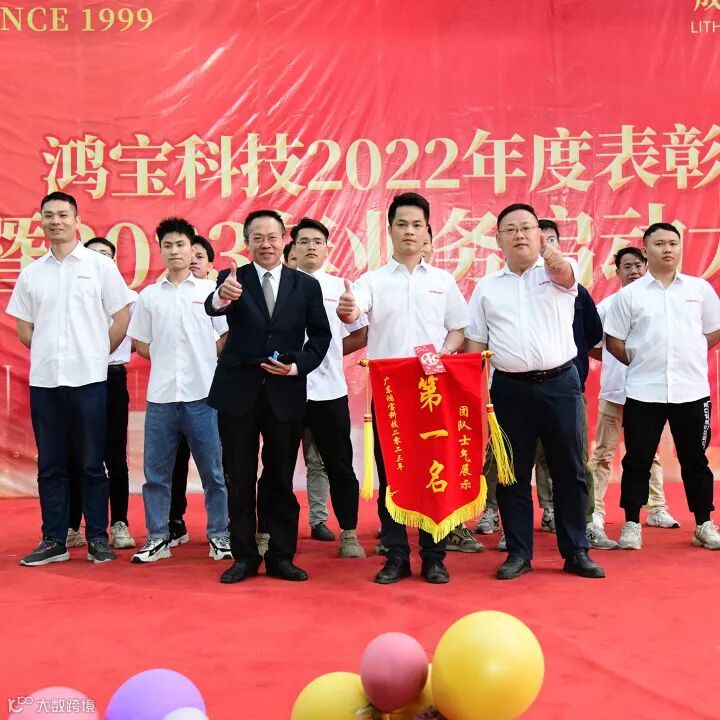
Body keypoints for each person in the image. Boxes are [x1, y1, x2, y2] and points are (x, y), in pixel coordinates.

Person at [466, 203, 605, 580]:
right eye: (510, 229)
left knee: (570, 471)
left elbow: (563, 271)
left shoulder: (559, 271)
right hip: (509, 390)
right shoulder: (486, 288)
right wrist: (467, 389)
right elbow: (476, 345)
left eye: (526, 227)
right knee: (511, 474)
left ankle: (576, 551)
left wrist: (550, 253)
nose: (519, 235)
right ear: (498, 239)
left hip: (560, 385)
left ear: (539, 235)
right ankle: (519, 552)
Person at [337, 192, 470, 584]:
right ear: (390, 230)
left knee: (434, 474)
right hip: (391, 394)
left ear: (428, 231)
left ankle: (434, 556)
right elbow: (355, 308)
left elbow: (458, 329)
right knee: (392, 477)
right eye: (402, 224)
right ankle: (395, 555)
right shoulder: (371, 281)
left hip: (433, 391)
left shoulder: (443, 281)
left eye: (417, 225)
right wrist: (349, 308)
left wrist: (444, 352)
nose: (409, 231)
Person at [205, 209, 331, 584]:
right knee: (239, 478)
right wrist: (221, 297)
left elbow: (320, 337)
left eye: (272, 237)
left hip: (285, 392)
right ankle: (244, 557)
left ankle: (280, 556)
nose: (266, 244)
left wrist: (296, 367)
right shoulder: (233, 279)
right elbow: (213, 305)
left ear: (283, 240)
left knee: (279, 480)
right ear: (247, 243)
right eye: (257, 237)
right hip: (238, 393)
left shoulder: (305, 285)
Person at [7, 192, 131, 566]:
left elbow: (122, 316)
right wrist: (51, 352)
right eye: (49, 215)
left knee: (92, 463)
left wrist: (96, 354)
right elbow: (24, 329)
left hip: (89, 380)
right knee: (51, 464)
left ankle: (97, 538)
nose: (56, 221)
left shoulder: (99, 266)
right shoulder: (32, 273)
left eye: (63, 215)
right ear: (41, 221)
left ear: (77, 220)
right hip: (45, 383)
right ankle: (54, 539)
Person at [605, 222, 720, 551]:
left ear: (680, 247)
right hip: (644, 391)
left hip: (691, 390)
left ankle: (703, 523)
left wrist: (688, 355)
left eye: (673, 243)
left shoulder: (699, 290)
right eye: (659, 244)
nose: (667, 249)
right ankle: (631, 523)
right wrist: (642, 361)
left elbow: (713, 331)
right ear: (645, 250)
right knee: (637, 460)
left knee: (695, 459)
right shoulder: (629, 295)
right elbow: (614, 341)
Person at [128, 218, 231, 564]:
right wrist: (168, 356)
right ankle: (158, 537)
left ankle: (219, 534)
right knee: (156, 475)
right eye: (168, 245)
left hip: (203, 396)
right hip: (161, 398)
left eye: (181, 245)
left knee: (213, 473)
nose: (174, 251)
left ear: (192, 249)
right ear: (160, 250)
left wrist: (201, 357)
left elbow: (225, 337)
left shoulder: (209, 293)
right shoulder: (149, 296)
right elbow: (142, 344)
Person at [588, 247, 678, 534]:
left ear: (646, 267)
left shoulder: (658, 304)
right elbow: (591, 345)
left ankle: (657, 508)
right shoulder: (607, 306)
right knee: (603, 454)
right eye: (627, 267)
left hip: (648, 393)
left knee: (648, 453)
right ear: (617, 273)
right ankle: (594, 511)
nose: (634, 271)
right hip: (614, 391)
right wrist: (617, 359)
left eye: (638, 265)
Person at [291, 216, 366, 557]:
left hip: (330, 391)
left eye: (317, 242)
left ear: (327, 248)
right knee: (277, 465)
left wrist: (327, 354)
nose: (311, 247)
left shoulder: (340, 288)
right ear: (293, 248)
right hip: (286, 390)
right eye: (304, 241)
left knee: (340, 465)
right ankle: (270, 536)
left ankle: (349, 533)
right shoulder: (280, 286)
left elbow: (360, 333)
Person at [67, 237, 138, 551]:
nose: (100, 259)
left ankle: (119, 523)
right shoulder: (74, 295)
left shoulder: (131, 299)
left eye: (106, 255)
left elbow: (138, 340)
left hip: (111, 376)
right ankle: (72, 525)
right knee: (77, 453)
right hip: (78, 377)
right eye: (93, 254)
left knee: (115, 455)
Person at [168, 235, 217, 548]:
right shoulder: (164, 294)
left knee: (217, 465)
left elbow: (227, 339)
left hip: (212, 393)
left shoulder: (217, 295)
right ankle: (174, 521)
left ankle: (223, 527)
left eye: (201, 256)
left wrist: (203, 358)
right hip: (173, 394)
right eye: (191, 254)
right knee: (174, 462)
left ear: (210, 264)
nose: (194, 260)